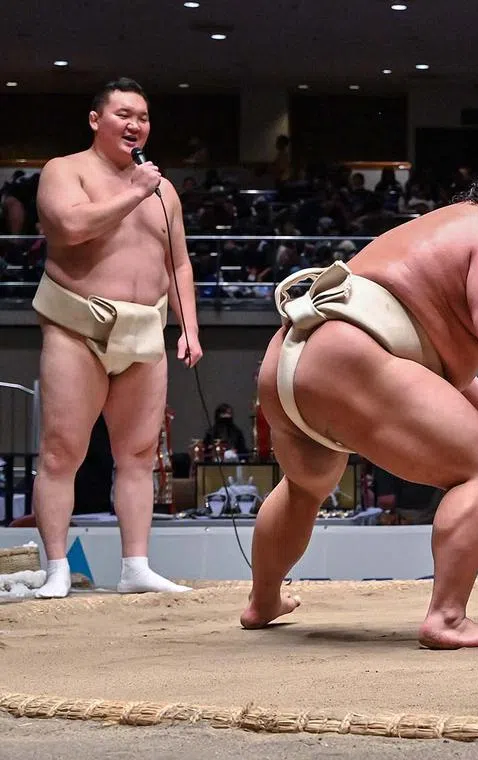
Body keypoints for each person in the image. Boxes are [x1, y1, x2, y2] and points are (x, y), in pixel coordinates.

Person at [245, 165, 478, 649]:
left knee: (303, 486)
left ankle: (262, 602)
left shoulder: (440, 226)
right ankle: (447, 617)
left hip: (291, 357)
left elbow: (416, 340)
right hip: (351, 353)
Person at [31, 77, 201, 598]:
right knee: (62, 452)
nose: (136, 125)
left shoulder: (162, 188)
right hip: (77, 325)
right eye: (125, 114)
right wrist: (132, 193)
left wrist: (189, 325)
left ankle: (135, 565)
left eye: (143, 117)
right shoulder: (65, 170)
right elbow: (69, 228)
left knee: (139, 454)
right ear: (95, 120)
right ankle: (57, 567)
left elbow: (178, 262)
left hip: (144, 328)